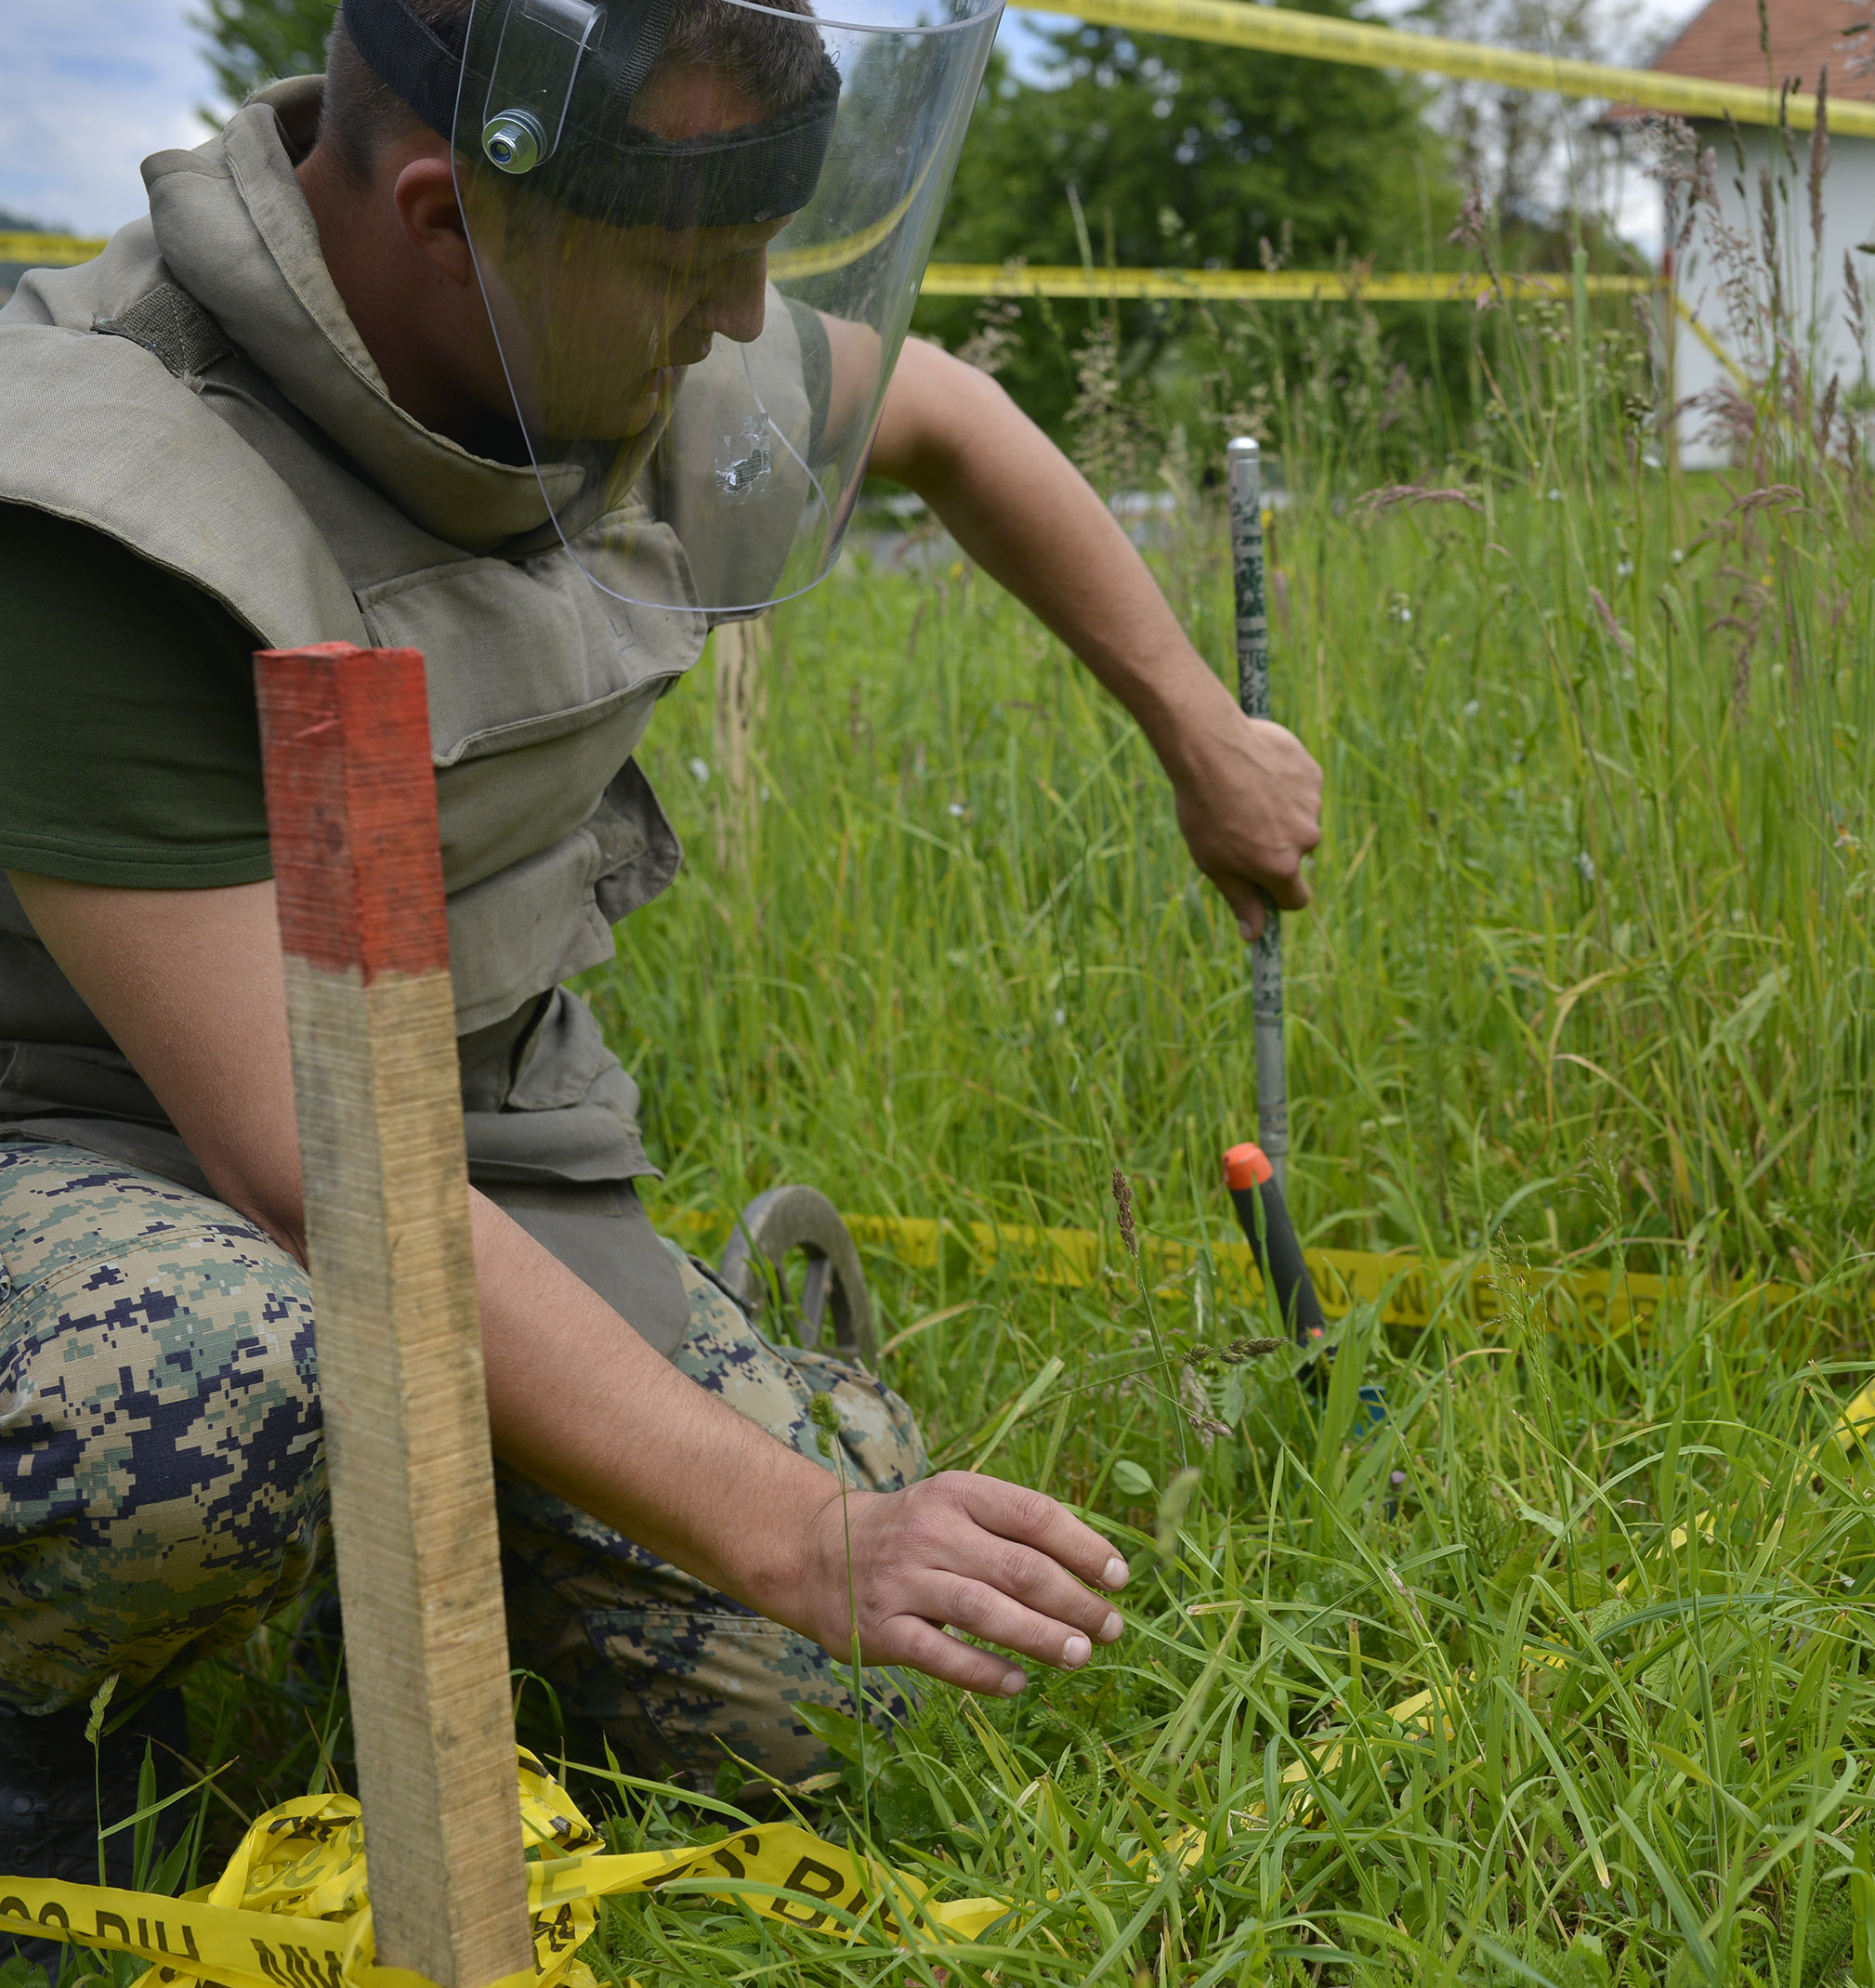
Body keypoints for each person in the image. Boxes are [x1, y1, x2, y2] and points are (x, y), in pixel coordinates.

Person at [0, 0, 1323, 1895]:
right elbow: (307, 1169)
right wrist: (795, 1527)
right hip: (86, 1150)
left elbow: (943, 410)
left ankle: (386, 1569)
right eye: (695, 272)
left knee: (841, 1703)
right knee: (216, 1389)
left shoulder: (585, 306)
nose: (736, 323)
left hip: (459, 1140)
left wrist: (1202, 732)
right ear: (449, 218)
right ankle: (44, 1709)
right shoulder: (96, 497)